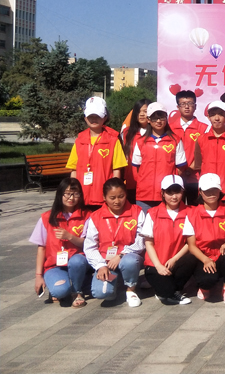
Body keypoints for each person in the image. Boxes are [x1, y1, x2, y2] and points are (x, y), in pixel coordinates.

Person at [84, 178, 145, 307]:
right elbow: (90, 246)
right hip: (106, 262)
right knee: (102, 293)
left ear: (126, 195)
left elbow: (141, 241)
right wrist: (100, 265)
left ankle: (131, 289)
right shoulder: (95, 217)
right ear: (104, 197)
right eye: (112, 198)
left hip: (128, 257)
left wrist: (122, 255)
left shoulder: (137, 211)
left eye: (121, 196)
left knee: (129, 261)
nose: (117, 201)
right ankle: (116, 282)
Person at [30, 178, 89, 307]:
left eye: (75, 193)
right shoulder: (47, 217)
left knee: (77, 261)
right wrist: (38, 276)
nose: (71, 198)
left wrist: (70, 237)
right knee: (60, 291)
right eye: (67, 193)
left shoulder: (87, 216)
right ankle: (61, 286)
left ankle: (77, 292)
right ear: (60, 194)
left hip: (77, 263)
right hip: (54, 265)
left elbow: (88, 244)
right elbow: (41, 248)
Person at [185, 173, 225, 304]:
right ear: (200, 192)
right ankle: (204, 287)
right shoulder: (191, 213)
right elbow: (191, 245)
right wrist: (206, 260)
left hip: (221, 253)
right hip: (203, 256)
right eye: (207, 191)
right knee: (207, 281)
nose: (211, 194)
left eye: (214, 189)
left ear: (220, 191)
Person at [67, 97, 128, 208]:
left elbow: (117, 170)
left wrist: (113, 194)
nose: (94, 119)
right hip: (82, 197)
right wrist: (73, 192)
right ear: (85, 118)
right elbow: (74, 169)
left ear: (105, 117)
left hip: (103, 198)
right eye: (90, 116)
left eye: (98, 116)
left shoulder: (113, 140)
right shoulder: (79, 140)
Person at [142, 175, 193, 305]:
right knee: (166, 292)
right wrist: (158, 265)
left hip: (177, 262)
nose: (174, 197)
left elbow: (190, 243)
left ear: (183, 192)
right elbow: (148, 243)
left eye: (177, 192)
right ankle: (171, 290)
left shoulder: (191, 212)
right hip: (156, 264)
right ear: (163, 193)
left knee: (192, 258)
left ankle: (174, 290)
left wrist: (175, 259)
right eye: (169, 192)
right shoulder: (153, 213)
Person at [130, 102, 187, 213]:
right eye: (154, 118)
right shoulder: (141, 142)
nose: (158, 121)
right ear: (148, 120)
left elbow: (180, 167)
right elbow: (136, 168)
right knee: (145, 223)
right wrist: (144, 182)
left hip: (168, 194)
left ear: (166, 118)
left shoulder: (175, 140)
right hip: (144, 195)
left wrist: (170, 182)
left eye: (161, 117)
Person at [192, 100, 225, 209]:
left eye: (220, 114)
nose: (217, 118)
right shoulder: (201, 139)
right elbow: (198, 167)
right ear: (208, 117)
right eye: (213, 115)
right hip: (207, 192)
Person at [169, 90, 205, 205]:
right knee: (176, 208)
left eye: (190, 103)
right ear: (177, 107)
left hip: (196, 177)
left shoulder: (204, 128)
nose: (187, 107)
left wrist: (190, 170)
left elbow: (204, 153)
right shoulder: (169, 129)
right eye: (183, 104)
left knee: (195, 209)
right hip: (175, 177)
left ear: (195, 106)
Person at [122, 98, 151, 203]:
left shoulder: (156, 133)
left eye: (145, 111)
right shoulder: (127, 133)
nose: (142, 114)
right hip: (132, 180)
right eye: (139, 111)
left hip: (149, 181)